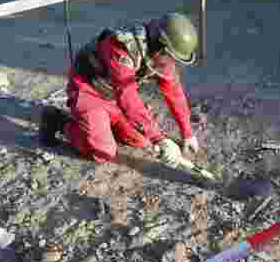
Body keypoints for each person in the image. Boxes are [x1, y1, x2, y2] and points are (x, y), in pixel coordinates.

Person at [40, 12, 201, 166]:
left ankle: (102, 125)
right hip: (88, 91)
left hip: (113, 98)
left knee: (141, 141)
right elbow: (127, 97)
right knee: (103, 151)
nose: (171, 63)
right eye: (170, 56)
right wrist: (159, 139)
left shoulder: (160, 56)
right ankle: (59, 121)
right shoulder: (120, 47)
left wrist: (187, 133)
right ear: (160, 46)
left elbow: (174, 92)